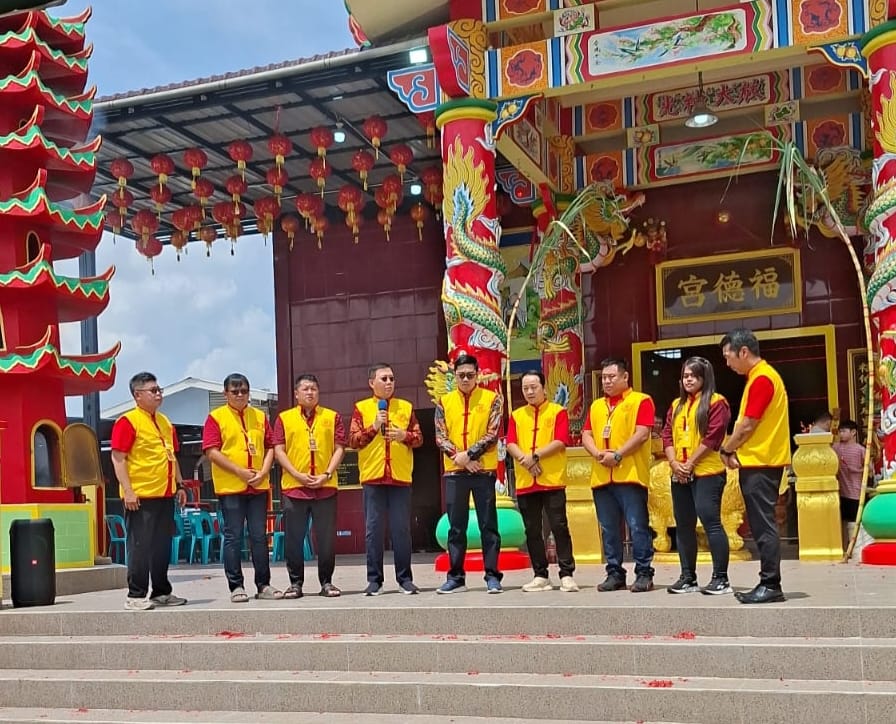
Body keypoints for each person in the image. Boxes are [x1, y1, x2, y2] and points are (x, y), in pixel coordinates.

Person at [720, 328, 791, 604]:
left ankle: (771, 583)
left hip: (762, 462)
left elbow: (748, 424)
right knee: (762, 524)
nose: (727, 363)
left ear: (744, 352)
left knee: (763, 525)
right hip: (760, 461)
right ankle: (768, 582)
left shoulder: (762, 379)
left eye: (729, 357)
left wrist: (727, 448)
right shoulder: (758, 377)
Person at [110, 372, 188, 611]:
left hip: (164, 494)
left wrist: (181, 485)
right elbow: (118, 458)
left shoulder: (165, 422)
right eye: (153, 390)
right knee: (139, 546)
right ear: (137, 395)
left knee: (161, 546)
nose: (158, 394)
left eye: (159, 389)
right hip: (141, 496)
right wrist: (128, 491)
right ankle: (135, 595)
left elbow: (170, 456)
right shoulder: (128, 421)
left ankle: (161, 592)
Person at [203, 373, 281, 603]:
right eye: (234, 391)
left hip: (257, 486)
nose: (239, 395)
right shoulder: (216, 417)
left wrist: (264, 471)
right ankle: (236, 586)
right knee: (233, 537)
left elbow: (270, 446)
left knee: (259, 536)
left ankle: (263, 584)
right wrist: (239, 471)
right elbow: (211, 451)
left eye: (244, 391)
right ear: (225, 393)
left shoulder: (259, 416)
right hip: (232, 487)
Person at [581, 358, 656, 593]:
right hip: (602, 477)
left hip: (630, 474)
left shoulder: (640, 401)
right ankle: (614, 572)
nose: (607, 381)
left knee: (637, 526)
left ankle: (644, 572)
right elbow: (586, 434)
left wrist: (619, 455)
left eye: (612, 377)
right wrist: (597, 454)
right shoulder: (596, 406)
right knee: (609, 529)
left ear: (625, 377)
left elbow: (642, 433)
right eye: (604, 377)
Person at [349, 363, 423, 596]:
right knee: (373, 530)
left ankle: (405, 579)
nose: (389, 382)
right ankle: (375, 581)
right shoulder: (361, 409)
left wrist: (405, 435)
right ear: (372, 383)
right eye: (384, 378)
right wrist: (374, 426)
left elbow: (419, 438)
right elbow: (353, 441)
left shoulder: (406, 407)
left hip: (400, 478)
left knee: (401, 530)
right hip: (373, 477)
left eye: (392, 378)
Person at [661, 357, 733, 595]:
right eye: (685, 375)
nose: (688, 379)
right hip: (679, 472)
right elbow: (667, 436)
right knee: (683, 526)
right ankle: (688, 577)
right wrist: (674, 463)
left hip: (707, 472)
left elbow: (713, 438)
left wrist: (690, 463)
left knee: (711, 523)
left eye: (693, 375)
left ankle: (720, 578)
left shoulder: (716, 402)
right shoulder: (676, 405)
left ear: (704, 377)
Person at [434, 353, 504, 594]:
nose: (465, 379)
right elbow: (440, 436)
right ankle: (455, 577)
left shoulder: (492, 399)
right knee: (456, 527)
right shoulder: (444, 402)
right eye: (461, 375)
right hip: (455, 472)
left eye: (470, 375)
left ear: (478, 375)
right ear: (455, 376)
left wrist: (470, 456)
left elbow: (492, 433)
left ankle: (493, 576)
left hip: (482, 471)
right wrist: (462, 459)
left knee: (488, 525)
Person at [274, 374, 346, 598]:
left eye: (314, 388)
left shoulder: (331, 417)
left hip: (325, 487)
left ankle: (327, 582)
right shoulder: (284, 419)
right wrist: (296, 474)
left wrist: (326, 474)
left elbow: (340, 448)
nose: (310, 392)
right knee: (294, 539)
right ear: (296, 394)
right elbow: (278, 449)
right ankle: (295, 583)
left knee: (326, 539)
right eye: (305, 389)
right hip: (295, 488)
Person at [506, 370, 578, 592]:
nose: (529, 392)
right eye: (525, 388)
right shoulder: (517, 415)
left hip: (552, 479)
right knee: (532, 529)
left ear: (543, 387)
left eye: (533, 387)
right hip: (527, 481)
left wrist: (535, 456)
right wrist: (525, 461)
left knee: (559, 526)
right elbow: (510, 442)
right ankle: (540, 574)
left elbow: (560, 441)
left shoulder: (558, 412)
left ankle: (566, 573)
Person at [833, 419, 866, 544]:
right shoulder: (835, 448)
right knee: (840, 521)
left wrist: (857, 470)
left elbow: (870, 470)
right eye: (840, 431)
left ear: (853, 432)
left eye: (844, 431)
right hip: (840, 492)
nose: (841, 434)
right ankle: (843, 546)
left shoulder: (860, 450)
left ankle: (856, 546)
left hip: (856, 492)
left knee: (855, 522)